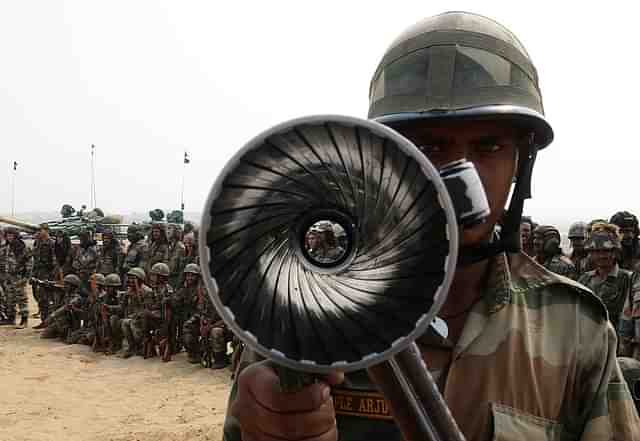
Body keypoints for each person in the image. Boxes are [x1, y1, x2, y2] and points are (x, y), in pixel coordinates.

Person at [222, 12, 640, 441]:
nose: (462, 174)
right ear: (383, 160)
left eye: (489, 146)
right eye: (429, 147)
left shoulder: (573, 328)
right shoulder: (306, 311)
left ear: (521, 161)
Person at [578, 223, 640, 339]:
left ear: (615, 252)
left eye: (606, 251)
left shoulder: (629, 279)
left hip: (619, 344)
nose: (602, 256)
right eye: (597, 251)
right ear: (590, 253)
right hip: (590, 343)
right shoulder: (584, 280)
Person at [2, 227, 33, 328]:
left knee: (21, 298)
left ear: (15, 236)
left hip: (19, 276)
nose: (9, 237)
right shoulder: (7, 247)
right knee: (10, 298)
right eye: (7, 235)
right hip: (8, 277)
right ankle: (11, 318)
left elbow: (30, 262)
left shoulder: (22, 247)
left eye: (11, 235)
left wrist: (26, 277)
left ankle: (24, 320)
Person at [119, 267, 151, 358]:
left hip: (144, 320)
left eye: (133, 278)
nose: (130, 280)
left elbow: (146, 307)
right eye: (129, 278)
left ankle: (140, 346)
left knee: (132, 323)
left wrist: (137, 290)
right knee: (125, 322)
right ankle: (132, 347)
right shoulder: (129, 291)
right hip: (132, 318)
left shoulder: (147, 291)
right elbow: (121, 307)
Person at [31, 224, 58, 322]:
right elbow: (34, 258)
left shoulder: (51, 243)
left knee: (45, 297)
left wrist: (51, 275)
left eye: (41, 230)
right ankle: (43, 317)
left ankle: (47, 319)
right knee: (37, 295)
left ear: (47, 231)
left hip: (47, 272)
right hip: (37, 271)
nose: (39, 232)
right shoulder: (37, 242)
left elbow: (54, 260)